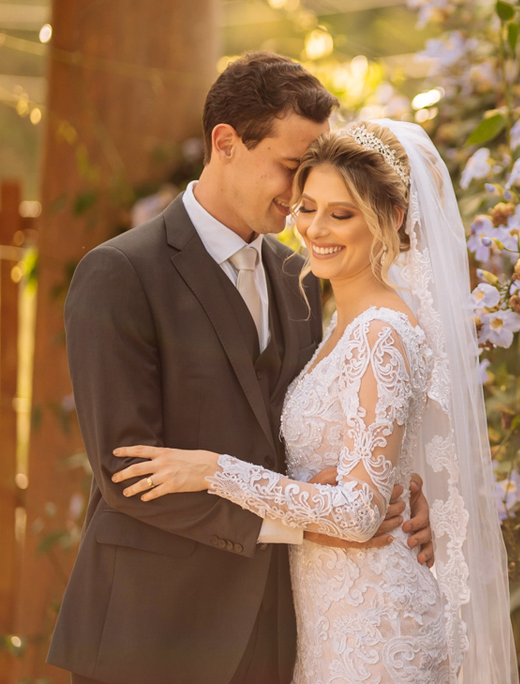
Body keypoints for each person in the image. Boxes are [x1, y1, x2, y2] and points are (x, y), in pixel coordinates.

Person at [49, 54, 436, 684]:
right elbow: (127, 473)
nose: (299, 195)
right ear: (225, 143)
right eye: (290, 168)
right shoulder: (120, 273)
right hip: (153, 631)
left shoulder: (301, 280)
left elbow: (324, 429)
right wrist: (303, 527)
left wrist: (392, 491)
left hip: (280, 630)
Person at [111, 121, 520, 683]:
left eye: (342, 213)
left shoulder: (381, 334)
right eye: (306, 207)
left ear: (393, 218)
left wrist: (212, 471)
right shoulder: (332, 324)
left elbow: (358, 514)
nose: (315, 229)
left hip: (375, 625)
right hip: (327, 614)